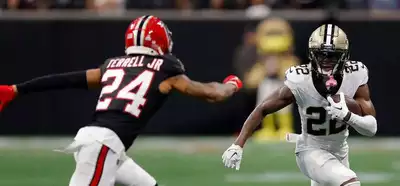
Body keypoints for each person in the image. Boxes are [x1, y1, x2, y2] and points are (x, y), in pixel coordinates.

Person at [0, 15, 242, 186]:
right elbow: (212, 93)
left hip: (102, 145)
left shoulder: (112, 66)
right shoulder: (166, 69)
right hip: (103, 146)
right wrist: (232, 84)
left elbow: (66, 80)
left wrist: (17, 89)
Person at [222, 24, 377, 186]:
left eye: (332, 55)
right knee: (350, 183)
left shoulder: (355, 74)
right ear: (311, 55)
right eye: (321, 55)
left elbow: (371, 128)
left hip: (340, 151)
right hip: (311, 150)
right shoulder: (300, 80)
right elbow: (263, 108)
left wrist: (348, 115)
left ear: (345, 56)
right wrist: (238, 145)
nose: (326, 62)